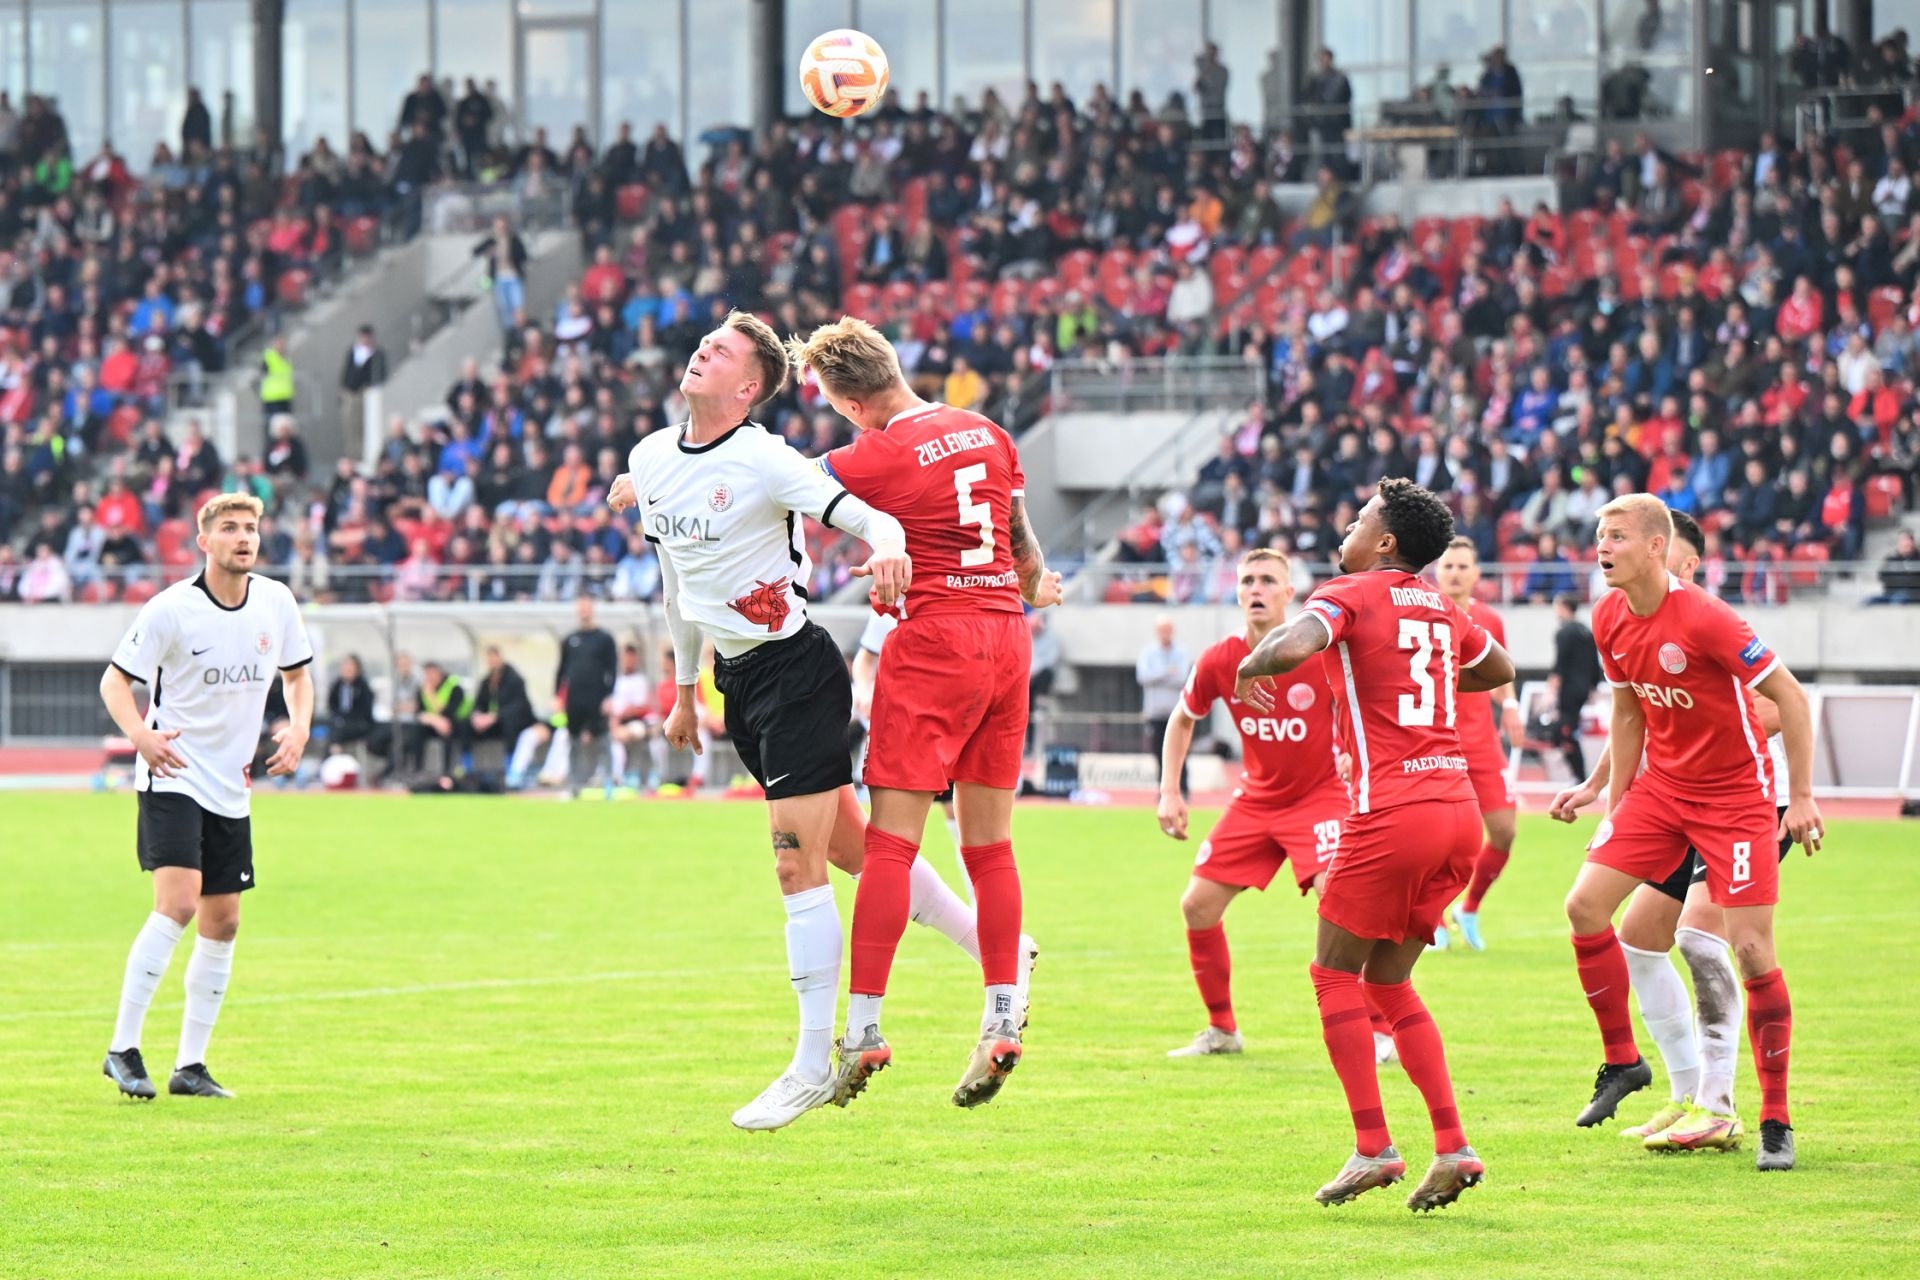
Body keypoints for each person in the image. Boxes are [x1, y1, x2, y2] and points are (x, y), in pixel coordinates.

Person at [605, 311, 977, 1132]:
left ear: (748, 388)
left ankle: (811, 1064)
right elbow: (676, 589)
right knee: (850, 849)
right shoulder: (650, 457)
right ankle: (997, 948)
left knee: (791, 865)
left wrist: (888, 545)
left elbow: (865, 516)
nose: (701, 351)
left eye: (721, 351)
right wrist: (684, 690)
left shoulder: (767, 458)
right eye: (704, 343)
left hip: (799, 673)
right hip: (737, 682)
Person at [786, 315, 1062, 1112]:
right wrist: (1030, 588)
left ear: (848, 403)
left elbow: (783, 485)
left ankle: (863, 1031)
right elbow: (1025, 556)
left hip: (935, 642)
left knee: (891, 846)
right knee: (990, 846)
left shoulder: (875, 452)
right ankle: (1002, 1016)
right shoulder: (989, 433)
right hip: (1006, 637)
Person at [1233, 478, 1516, 1211]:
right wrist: (1429, 679)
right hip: (1457, 811)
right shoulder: (1442, 606)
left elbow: (1299, 641)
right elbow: (1500, 669)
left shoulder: (1350, 592)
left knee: (1332, 974)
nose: (1348, 528)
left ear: (1385, 541)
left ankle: (1373, 1148)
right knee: (1389, 983)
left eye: (1360, 520)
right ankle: (1452, 1145)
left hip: (1391, 811)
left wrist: (1251, 662)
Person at [1557, 493, 1818, 1173]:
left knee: (1748, 949)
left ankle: (1773, 1118)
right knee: (1586, 906)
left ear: (1656, 546)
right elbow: (1628, 716)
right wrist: (1613, 807)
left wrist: (1801, 798)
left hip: (1735, 799)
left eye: (1616, 535)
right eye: (1599, 535)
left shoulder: (1707, 618)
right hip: (1664, 792)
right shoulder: (1608, 615)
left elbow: (1790, 698)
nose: (1602, 546)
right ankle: (1626, 1062)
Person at [98, 493, 315, 1101]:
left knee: (225, 920)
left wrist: (299, 728)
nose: (244, 538)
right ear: (205, 542)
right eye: (230, 529)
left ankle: (190, 1066)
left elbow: (298, 677)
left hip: (230, 783)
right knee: (178, 903)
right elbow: (114, 681)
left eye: (251, 528)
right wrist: (141, 736)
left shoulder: (276, 601)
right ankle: (122, 1049)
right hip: (172, 772)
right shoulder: (171, 609)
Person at [1155, 547, 1356, 1060]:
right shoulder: (1221, 659)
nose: (1256, 589)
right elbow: (1182, 719)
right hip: (1257, 799)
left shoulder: (1319, 653)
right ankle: (1222, 1030)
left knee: (1341, 901)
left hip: (1319, 795)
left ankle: (1377, 1029)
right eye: (1247, 581)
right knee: (1196, 905)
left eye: (1268, 580)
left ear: (1289, 593)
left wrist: (1352, 754)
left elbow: (1361, 706)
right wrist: (1170, 790)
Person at [1430, 538, 1523, 951]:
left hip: (1482, 742)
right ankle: (1432, 918)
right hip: (1435, 743)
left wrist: (1511, 706)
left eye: (1462, 566)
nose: (1454, 573)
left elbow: (1500, 674)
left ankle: (1468, 909)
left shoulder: (1489, 619)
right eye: (1448, 566)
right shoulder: (1422, 614)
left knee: (1504, 832)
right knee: (1438, 839)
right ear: (1437, 572)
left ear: (1476, 574)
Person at [555, 595, 618, 798]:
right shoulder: (569, 640)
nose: (584, 611)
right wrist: (557, 696)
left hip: (597, 698)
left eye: (587, 607)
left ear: (593, 609)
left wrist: (609, 696)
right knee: (573, 742)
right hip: (575, 700)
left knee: (603, 741)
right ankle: (574, 786)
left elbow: (612, 669)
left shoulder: (604, 639)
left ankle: (608, 785)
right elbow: (561, 670)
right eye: (581, 608)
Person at [1136, 614, 1191, 796]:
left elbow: (1182, 678)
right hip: (1155, 713)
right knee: (1159, 753)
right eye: (1162, 630)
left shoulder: (1181, 653)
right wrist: (1168, 672)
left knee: (1181, 752)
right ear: (1157, 631)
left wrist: (1158, 676)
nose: (1165, 633)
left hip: (1177, 713)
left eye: (1168, 629)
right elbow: (1143, 677)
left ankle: (1183, 789)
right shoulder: (1148, 653)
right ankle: (1164, 791)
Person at [1550, 593, 1602, 778]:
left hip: (1568, 690)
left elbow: (1560, 664)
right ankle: (1578, 773)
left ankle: (1579, 775)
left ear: (1563, 607)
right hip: (1583, 689)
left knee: (1565, 732)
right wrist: (1593, 686)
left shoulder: (1564, 632)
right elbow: (1595, 662)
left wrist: (1552, 689)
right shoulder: (1586, 631)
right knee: (1568, 730)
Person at [470, 645, 536, 782]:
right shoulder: (486, 682)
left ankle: (511, 768)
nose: (492, 662)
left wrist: (495, 717)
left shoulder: (514, 679)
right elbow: (478, 704)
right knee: (465, 725)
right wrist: (477, 716)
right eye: (489, 660)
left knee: (509, 725)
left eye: (494, 658)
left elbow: (519, 706)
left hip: (516, 721)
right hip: (492, 723)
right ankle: (468, 768)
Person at [325, 654, 376, 751]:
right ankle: (334, 752)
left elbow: (365, 710)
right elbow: (332, 706)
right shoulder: (337, 685)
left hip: (359, 724)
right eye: (345, 666)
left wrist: (346, 719)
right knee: (333, 728)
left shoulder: (363, 686)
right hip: (340, 723)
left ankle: (333, 755)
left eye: (350, 666)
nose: (347, 669)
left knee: (336, 732)